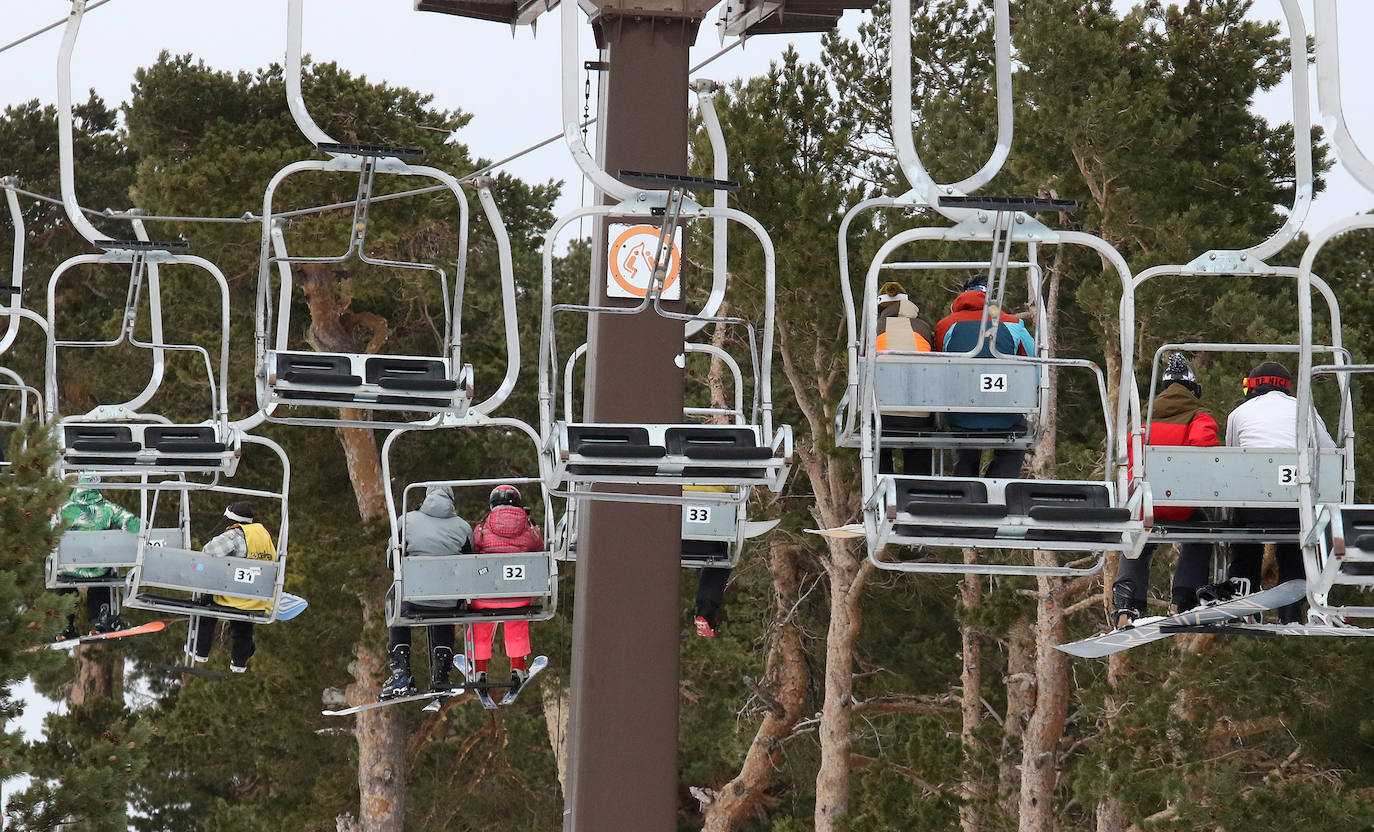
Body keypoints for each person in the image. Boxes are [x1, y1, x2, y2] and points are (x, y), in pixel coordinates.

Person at [1203, 361, 1335, 623]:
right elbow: (1328, 450)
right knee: (1295, 542)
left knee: (1243, 538)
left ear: (1252, 386)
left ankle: (1244, 597)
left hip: (1254, 506)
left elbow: (1232, 458)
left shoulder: (1239, 413)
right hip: (1294, 504)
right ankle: (1292, 611)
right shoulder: (1304, 409)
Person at [1111, 354, 1218, 628]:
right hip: (1182, 504)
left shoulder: (1144, 423)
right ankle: (1183, 597)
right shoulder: (1198, 417)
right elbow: (1205, 443)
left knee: (1139, 536)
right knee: (1200, 531)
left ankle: (1126, 602)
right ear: (1194, 391)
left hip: (1148, 502)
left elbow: (1131, 458)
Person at [934, 273, 1036, 478]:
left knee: (966, 441)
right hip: (1005, 413)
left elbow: (937, 367)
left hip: (960, 413)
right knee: (1017, 436)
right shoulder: (1012, 323)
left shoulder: (945, 325)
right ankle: (999, 483)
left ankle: (966, 483)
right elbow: (1034, 362)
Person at [381, 484, 473, 699]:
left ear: (426, 498)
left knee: (398, 611)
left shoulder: (407, 521)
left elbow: (391, 560)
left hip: (414, 598)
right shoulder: (462, 527)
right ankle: (442, 674)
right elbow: (470, 564)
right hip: (447, 601)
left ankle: (401, 673)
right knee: (444, 611)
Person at [468, 484, 543, 693]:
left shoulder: (483, 527)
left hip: (486, 595)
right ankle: (518, 668)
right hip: (518, 594)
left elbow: (474, 549)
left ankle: (479, 670)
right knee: (516, 617)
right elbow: (539, 548)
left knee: (480, 619)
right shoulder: (529, 528)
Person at [191, 502, 278, 672]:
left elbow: (209, 551)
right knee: (243, 625)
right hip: (257, 598)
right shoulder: (263, 535)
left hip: (233, 596)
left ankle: (200, 650)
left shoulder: (235, 535)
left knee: (206, 606)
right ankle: (239, 662)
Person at [56, 478, 141, 638]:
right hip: (97, 568)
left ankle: (63, 625)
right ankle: (100, 620)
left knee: (64, 581)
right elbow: (133, 524)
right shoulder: (108, 508)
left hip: (68, 567)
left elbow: (47, 530)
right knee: (102, 580)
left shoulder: (64, 508)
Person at [873, 281, 935, 476]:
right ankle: (919, 492)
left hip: (883, 414)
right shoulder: (923, 328)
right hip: (919, 414)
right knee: (918, 453)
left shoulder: (874, 329)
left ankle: (880, 488)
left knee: (877, 448)